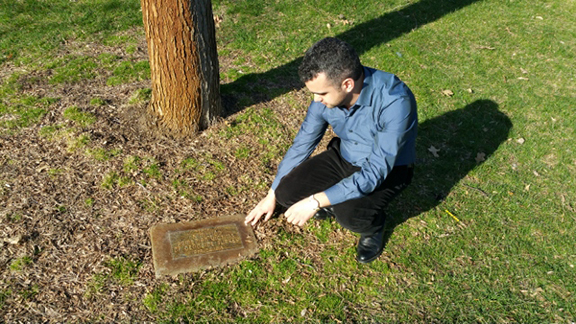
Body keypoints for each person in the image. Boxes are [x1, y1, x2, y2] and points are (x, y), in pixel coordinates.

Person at [245, 37, 417, 263]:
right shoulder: (323, 98)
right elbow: (303, 144)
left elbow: (375, 172)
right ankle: (333, 199)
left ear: (347, 84)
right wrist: (271, 194)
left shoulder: (395, 101)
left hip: (389, 169)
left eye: (322, 94)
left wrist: (315, 201)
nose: (316, 100)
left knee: (349, 216)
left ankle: (373, 227)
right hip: (345, 156)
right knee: (285, 194)